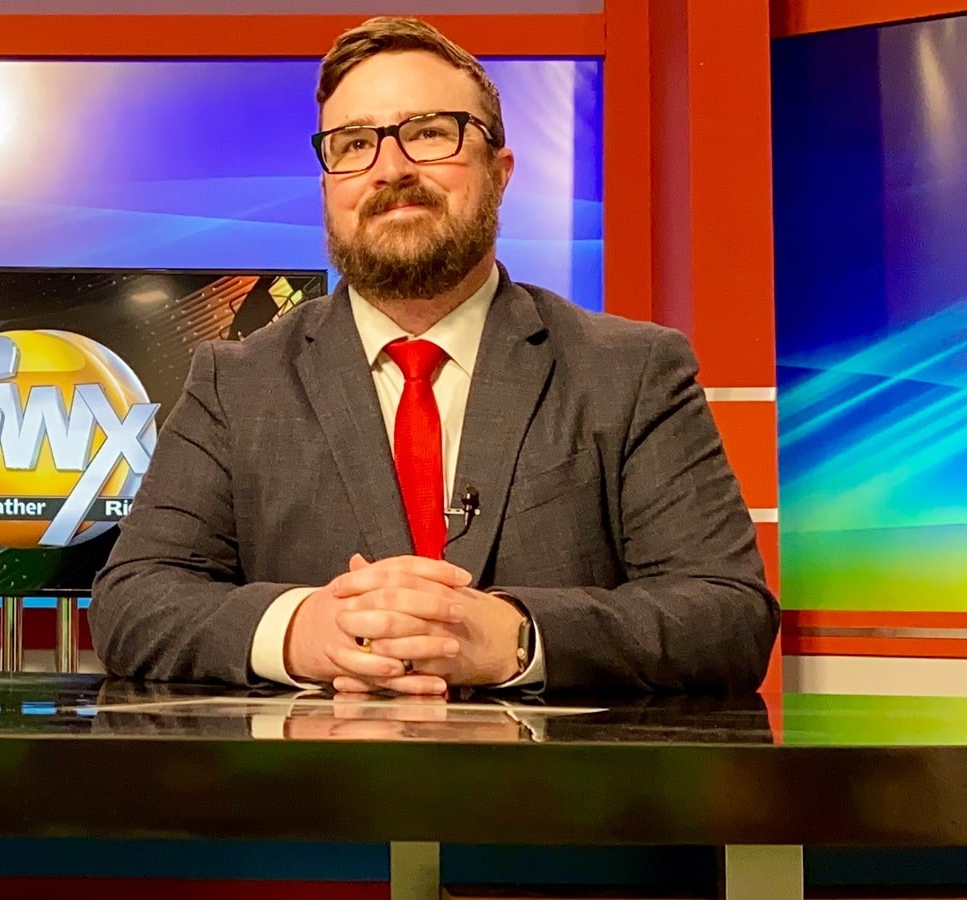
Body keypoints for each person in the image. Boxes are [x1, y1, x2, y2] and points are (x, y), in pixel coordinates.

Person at [89, 16, 778, 695]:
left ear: (500, 171)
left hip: (556, 802)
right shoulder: (234, 383)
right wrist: (302, 629)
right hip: (316, 797)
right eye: (354, 143)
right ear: (329, 188)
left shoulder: (630, 371)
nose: (392, 168)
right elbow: (133, 601)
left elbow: (728, 615)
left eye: (428, 133)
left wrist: (515, 636)